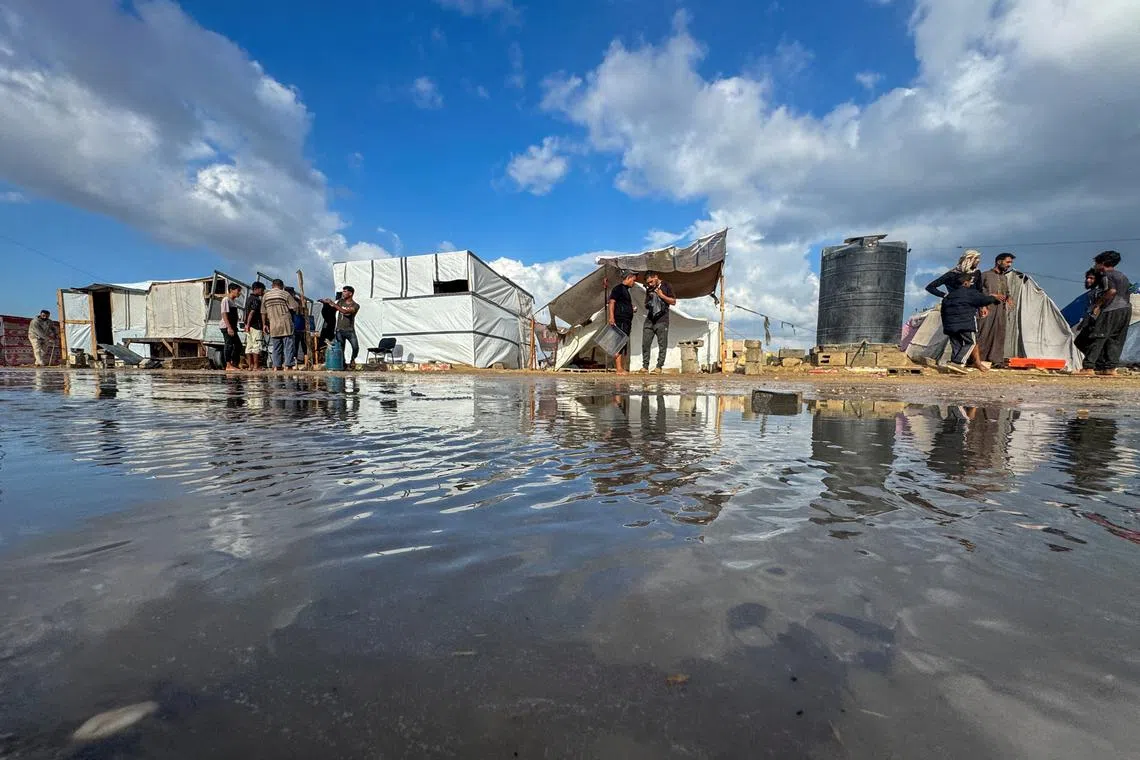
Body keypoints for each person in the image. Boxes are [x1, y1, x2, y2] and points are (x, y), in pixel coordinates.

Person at [1079, 250, 1132, 376]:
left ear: (1102, 263)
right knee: (1115, 339)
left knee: (1098, 336)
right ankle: (1109, 368)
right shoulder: (1122, 276)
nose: (1095, 266)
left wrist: (1098, 305)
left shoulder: (1106, 276)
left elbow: (1111, 291)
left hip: (1111, 309)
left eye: (1096, 263)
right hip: (1125, 309)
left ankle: (1088, 367)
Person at [940, 273, 1002, 374]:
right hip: (966, 324)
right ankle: (958, 362)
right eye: (970, 282)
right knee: (971, 343)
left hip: (949, 326)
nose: (971, 284)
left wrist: (946, 326)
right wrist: (994, 297)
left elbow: (943, 311)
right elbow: (983, 300)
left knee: (957, 345)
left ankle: (954, 366)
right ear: (965, 283)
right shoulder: (970, 293)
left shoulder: (949, 296)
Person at [975, 252, 1015, 367]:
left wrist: (1008, 298)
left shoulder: (1004, 277)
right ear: (999, 262)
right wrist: (991, 296)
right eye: (1008, 262)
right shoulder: (985, 275)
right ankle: (978, 359)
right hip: (987, 308)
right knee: (984, 333)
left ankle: (996, 360)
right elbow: (978, 292)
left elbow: (1006, 292)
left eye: (1011, 263)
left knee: (999, 334)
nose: (1009, 265)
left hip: (1000, 309)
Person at [261, 279, 300, 371]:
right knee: (288, 345)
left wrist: (264, 324)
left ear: (272, 285)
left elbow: (263, 312)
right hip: (285, 323)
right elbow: (295, 307)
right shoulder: (285, 294)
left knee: (276, 347)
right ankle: (288, 365)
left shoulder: (266, 296)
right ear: (282, 286)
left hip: (273, 324)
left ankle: (276, 365)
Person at [641, 271, 676, 373]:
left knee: (662, 344)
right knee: (645, 343)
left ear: (656, 277)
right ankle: (645, 366)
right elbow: (646, 304)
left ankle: (659, 366)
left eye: (651, 281)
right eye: (648, 283)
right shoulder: (649, 289)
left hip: (662, 320)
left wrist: (662, 296)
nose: (650, 284)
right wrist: (650, 302)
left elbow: (673, 301)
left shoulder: (667, 285)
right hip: (650, 319)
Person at [320, 286, 360, 368]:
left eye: (345, 291)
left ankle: (353, 359)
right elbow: (333, 310)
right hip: (339, 330)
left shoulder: (355, 305)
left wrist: (333, 304)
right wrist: (326, 304)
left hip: (350, 330)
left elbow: (346, 312)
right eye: (343, 291)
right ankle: (343, 364)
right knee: (341, 349)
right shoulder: (341, 302)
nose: (343, 293)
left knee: (355, 347)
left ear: (350, 293)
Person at [607, 270, 638, 374]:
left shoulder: (626, 291)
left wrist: (630, 308)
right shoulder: (618, 288)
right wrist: (611, 317)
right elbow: (612, 302)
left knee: (624, 343)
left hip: (627, 320)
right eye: (633, 280)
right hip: (620, 320)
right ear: (628, 278)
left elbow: (622, 304)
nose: (634, 282)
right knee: (619, 343)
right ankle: (618, 369)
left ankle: (622, 368)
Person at [1073, 268, 1102, 354]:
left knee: (1083, 343)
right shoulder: (1092, 292)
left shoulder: (1099, 292)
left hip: (1095, 322)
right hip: (1089, 322)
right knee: (1079, 343)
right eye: (1087, 278)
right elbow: (1090, 308)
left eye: (1091, 278)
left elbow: (1098, 307)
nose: (1088, 280)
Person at [219, 283, 243, 371]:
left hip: (232, 326)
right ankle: (228, 365)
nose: (239, 293)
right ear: (232, 290)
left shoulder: (233, 301)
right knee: (228, 345)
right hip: (226, 326)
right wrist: (229, 327)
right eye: (238, 291)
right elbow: (224, 314)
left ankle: (234, 363)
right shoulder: (226, 300)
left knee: (238, 345)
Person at [244, 281, 266, 370]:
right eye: (262, 290)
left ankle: (250, 366)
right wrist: (248, 324)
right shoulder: (256, 300)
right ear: (256, 289)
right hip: (256, 326)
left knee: (249, 346)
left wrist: (246, 325)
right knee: (257, 345)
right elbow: (252, 313)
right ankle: (256, 366)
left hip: (249, 326)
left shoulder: (249, 298)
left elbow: (247, 313)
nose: (262, 292)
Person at [285, 287, 306, 367]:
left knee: (302, 345)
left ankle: (304, 362)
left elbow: (301, 310)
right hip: (294, 326)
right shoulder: (287, 301)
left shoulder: (297, 301)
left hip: (299, 326)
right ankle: (293, 362)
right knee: (294, 345)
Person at [318, 292, 338, 360]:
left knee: (326, 344)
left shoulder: (329, 311)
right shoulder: (331, 310)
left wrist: (326, 303)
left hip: (328, 329)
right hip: (329, 329)